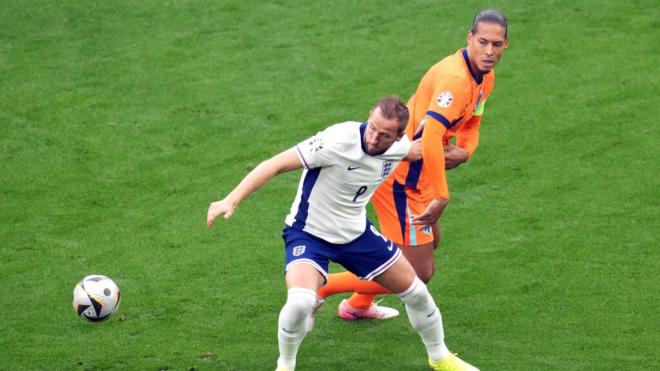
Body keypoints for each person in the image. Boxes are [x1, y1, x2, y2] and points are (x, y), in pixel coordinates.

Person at [207, 97, 478, 371]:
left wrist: (461, 153)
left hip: (356, 235)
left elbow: (424, 148)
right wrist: (231, 199)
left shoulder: (399, 148)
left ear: (398, 136)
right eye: (372, 127)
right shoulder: (336, 140)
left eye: (384, 135)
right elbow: (274, 165)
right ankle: (285, 365)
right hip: (309, 234)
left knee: (417, 291)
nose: (373, 138)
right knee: (300, 301)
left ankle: (440, 358)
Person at [315, 9, 509, 320]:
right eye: (482, 42)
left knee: (430, 245)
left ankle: (357, 305)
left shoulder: (485, 75)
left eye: (496, 45)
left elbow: (473, 121)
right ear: (469, 38)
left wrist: (467, 151)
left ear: (505, 45)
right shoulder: (455, 80)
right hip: (401, 178)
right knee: (419, 271)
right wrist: (441, 196)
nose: (489, 51)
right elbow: (431, 135)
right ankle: (320, 287)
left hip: (419, 176)